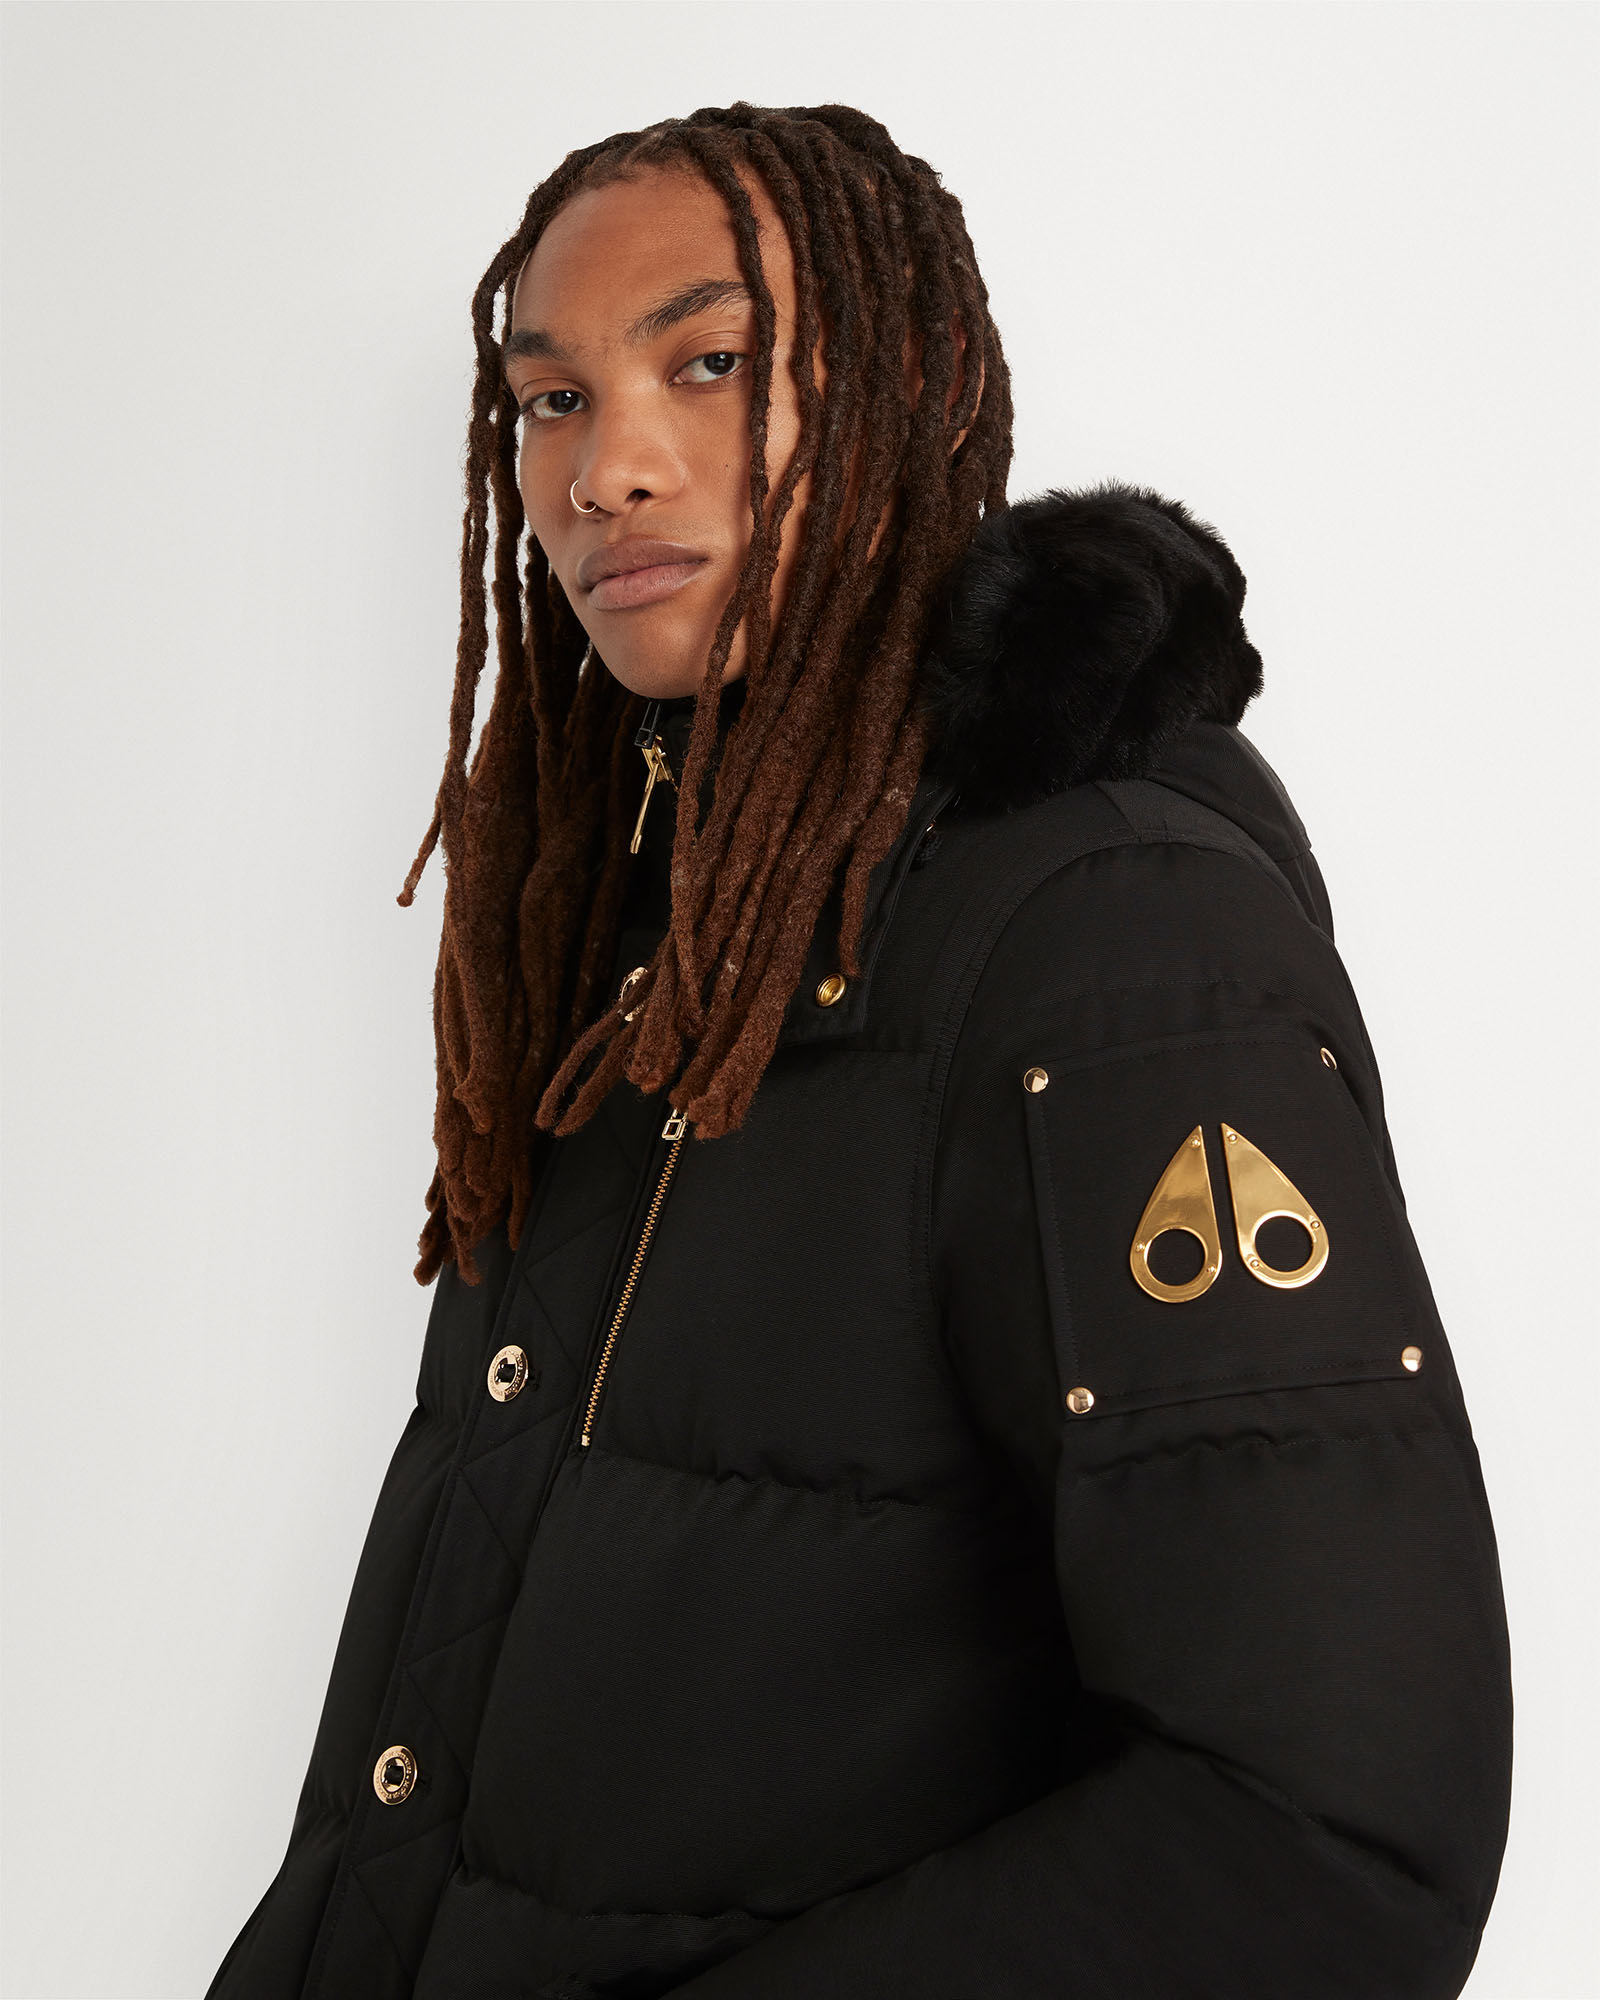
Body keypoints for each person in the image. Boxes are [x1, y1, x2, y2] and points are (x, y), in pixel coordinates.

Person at [205, 102, 1512, 2000]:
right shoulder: (660, 915)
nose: (606, 469)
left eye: (709, 363)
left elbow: (1324, 1833)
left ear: (912, 379)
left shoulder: (1119, 944)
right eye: (552, 399)